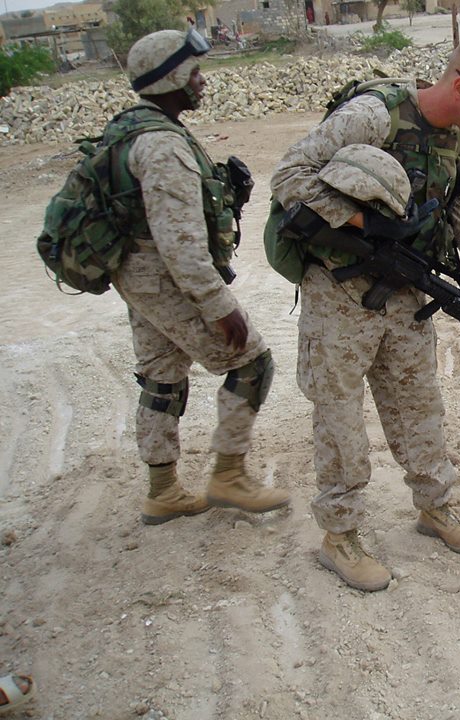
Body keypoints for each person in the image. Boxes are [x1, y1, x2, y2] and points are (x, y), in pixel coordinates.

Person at [270, 36, 460, 592]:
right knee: (339, 418)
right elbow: (289, 177)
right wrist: (365, 228)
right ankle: (339, 536)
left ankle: (435, 510)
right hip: (338, 297)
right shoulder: (371, 116)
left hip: (406, 296)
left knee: (420, 409)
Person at [114, 29, 289, 525]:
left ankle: (162, 490)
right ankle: (229, 475)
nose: (201, 81)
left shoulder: (132, 128)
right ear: (170, 77)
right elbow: (181, 247)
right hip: (166, 278)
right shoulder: (163, 146)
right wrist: (218, 306)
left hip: (137, 275)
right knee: (252, 363)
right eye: (193, 72)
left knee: (161, 376)